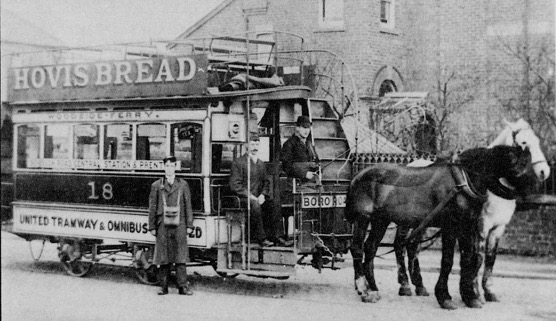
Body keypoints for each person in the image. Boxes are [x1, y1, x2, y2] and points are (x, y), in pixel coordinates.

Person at [229, 134, 290, 247]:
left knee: (274, 203)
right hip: (242, 199)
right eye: (252, 144)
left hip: (257, 197)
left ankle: (277, 237)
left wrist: (263, 194)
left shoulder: (261, 163)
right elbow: (235, 185)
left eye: (257, 144)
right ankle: (261, 238)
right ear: (246, 145)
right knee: (255, 205)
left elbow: (266, 182)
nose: (255, 147)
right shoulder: (238, 163)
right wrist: (250, 196)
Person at [148, 155, 194, 296]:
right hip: (162, 224)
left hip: (179, 223)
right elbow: (152, 207)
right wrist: (152, 226)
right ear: (164, 167)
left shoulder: (183, 184)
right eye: (167, 166)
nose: (169, 168)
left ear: (175, 167)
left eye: (172, 166)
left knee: (180, 256)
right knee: (163, 257)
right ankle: (163, 287)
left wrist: (189, 225)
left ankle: (182, 287)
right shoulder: (157, 185)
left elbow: (188, 206)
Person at [281, 115, 323, 192]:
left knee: (322, 193)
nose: (306, 131)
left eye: (308, 128)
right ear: (297, 128)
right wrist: (304, 173)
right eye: (304, 127)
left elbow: (317, 161)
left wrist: (317, 167)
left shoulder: (310, 145)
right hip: (296, 183)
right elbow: (286, 166)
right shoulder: (289, 144)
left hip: (312, 183)